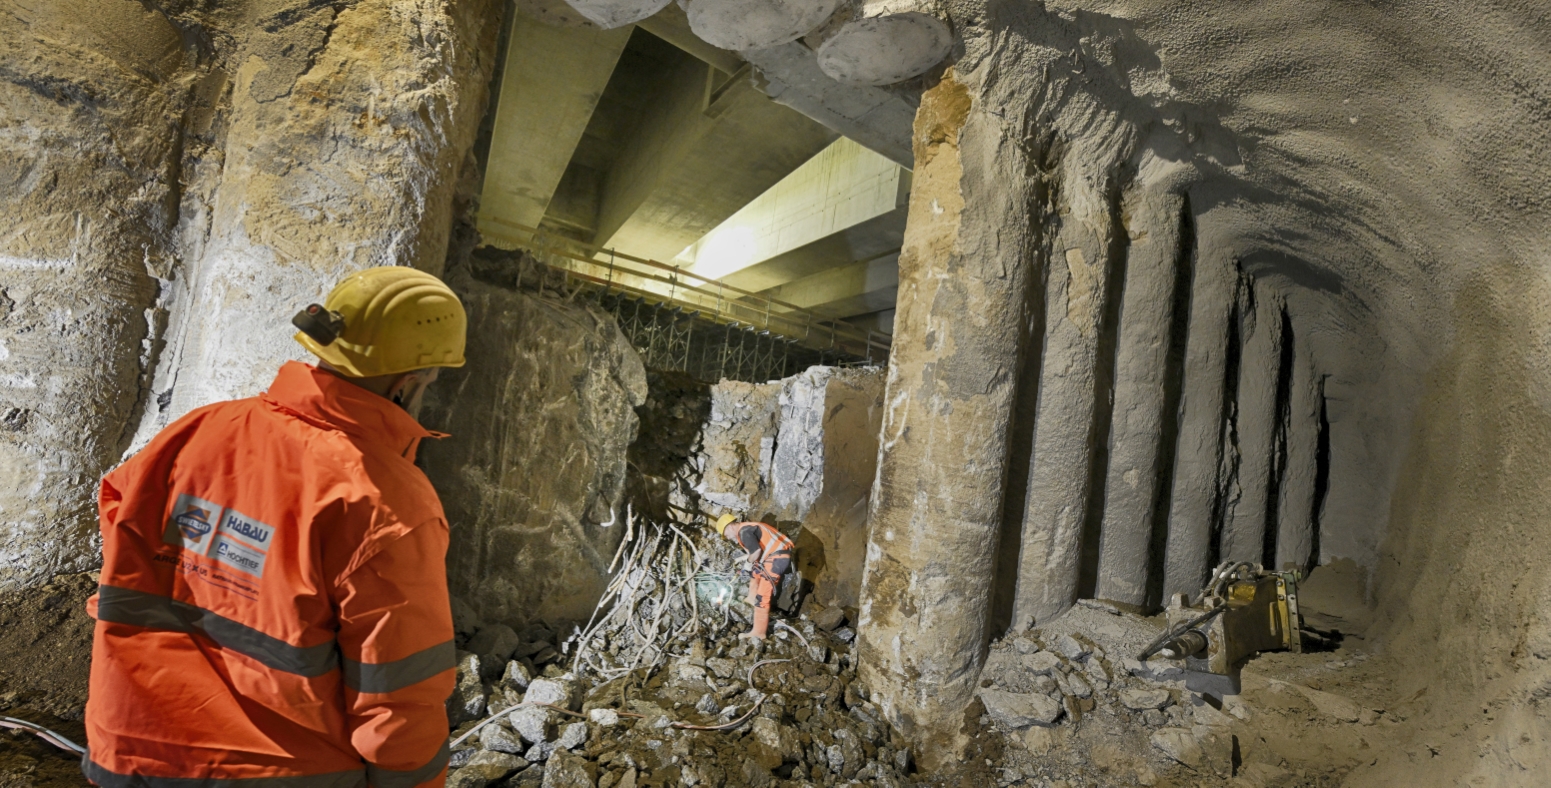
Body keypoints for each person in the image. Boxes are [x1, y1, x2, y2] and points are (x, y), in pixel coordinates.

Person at [83, 267, 467, 788]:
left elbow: (118, 520)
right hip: (281, 771)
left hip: (129, 751)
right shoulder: (388, 502)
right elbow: (398, 694)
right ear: (410, 381)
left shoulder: (198, 430)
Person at [714, 513, 794, 640]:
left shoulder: (744, 532)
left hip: (776, 560)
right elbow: (756, 550)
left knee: (762, 596)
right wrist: (741, 559)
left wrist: (748, 564)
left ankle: (759, 632)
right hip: (776, 555)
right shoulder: (747, 528)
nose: (728, 538)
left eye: (726, 535)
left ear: (729, 527)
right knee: (755, 571)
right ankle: (751, 598)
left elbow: (756, 552)